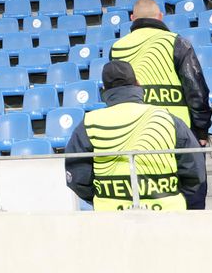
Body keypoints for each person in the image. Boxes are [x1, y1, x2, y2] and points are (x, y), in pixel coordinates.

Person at [109, 0, 212, 209]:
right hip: (178, 132)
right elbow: (196, 89)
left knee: (148, 193)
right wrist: (201, 131)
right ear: (160, 16)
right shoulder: (176, 42)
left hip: (135, 133)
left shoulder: (117, 48)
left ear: (132, 18)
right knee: (190, 192)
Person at [64, 60, 204, 211]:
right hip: (167, 214)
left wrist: (103, 199)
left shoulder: (88, 123)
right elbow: (195, 172)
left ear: (103, 90)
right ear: (137, 84)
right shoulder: (167, 118)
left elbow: (77, 177)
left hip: (110, 217)